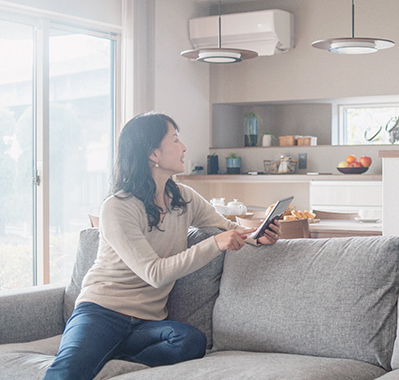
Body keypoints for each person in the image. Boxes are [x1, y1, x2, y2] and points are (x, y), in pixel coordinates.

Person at [44, 112, 280, 380]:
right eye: (176, 140)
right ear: (153, 154)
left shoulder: (183, 197)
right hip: (101, 313)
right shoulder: (117, 207)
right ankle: (100, 350)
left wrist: (258, 236)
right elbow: (154, 273)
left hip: (146, 324)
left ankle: (113, 356)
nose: (184, 148)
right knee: (66, 373)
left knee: (190, 341)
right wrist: (214, 244)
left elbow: (227, 228)